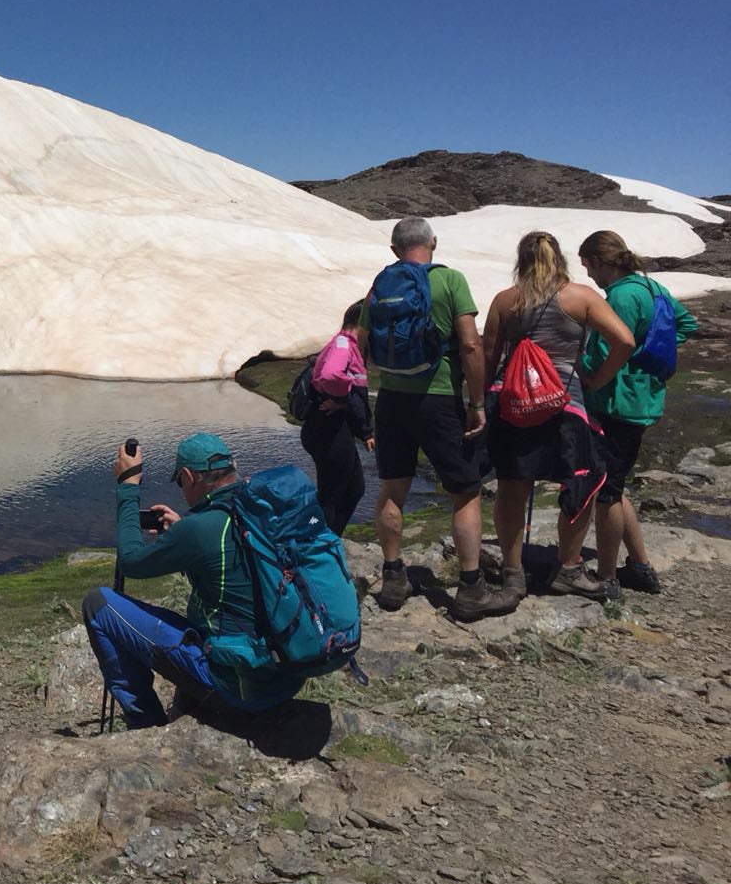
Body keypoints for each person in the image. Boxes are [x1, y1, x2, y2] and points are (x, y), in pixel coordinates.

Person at [81, 433, 308, 729]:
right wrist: (183, 529)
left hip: (238, 687)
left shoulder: (201, 530)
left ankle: (145, 723)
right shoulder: (258, 511)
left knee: (98, 605)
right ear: (234, 466)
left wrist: (128, 485)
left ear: (188, 476)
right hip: (285, 677)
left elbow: (131, 561)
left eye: (179, 481)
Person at [358, 217, 518, 622]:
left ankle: (393, 577)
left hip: (393, 398)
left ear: (395, 250)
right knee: (464, 491)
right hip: (441, 398)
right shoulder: (450, 281)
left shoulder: (381, 284)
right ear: (433, 242)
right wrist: (477, 402)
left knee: (393, 487)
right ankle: (470, 590)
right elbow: (469, 344)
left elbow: (361, 345)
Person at [481, 231, 633, 601]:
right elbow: (625, 341)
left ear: (522, 260)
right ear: (560, 258)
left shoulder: (506, 300)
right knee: (580, 482)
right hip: (566, 405)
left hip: (513, 403)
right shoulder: (581, 297)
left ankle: (513, 572)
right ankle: (568, 568)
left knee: (513, 484)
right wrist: (596, 378)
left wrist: (479, 404)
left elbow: (488, 357)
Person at [574, 230, 698, 596]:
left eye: (587, 266)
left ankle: (607, 578)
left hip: (617, 402)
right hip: (642, 398)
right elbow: (686, 324)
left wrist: (597, 376)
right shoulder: (652, 288)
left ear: (599, 261)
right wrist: (650, 353)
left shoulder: (621, 296)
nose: (587, 275)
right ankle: (640, 566)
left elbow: (615, 345)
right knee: (616, 481)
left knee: (606, 491)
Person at [300, 301, 375, 535]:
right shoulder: (344, 344)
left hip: (332, 429)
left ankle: (329, 538)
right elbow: (331, 374)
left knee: (353, 489)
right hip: (328, 430)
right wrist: (342, 397)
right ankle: (321, 543)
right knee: (333, 494)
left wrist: (363, 431)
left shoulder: (347, 344)